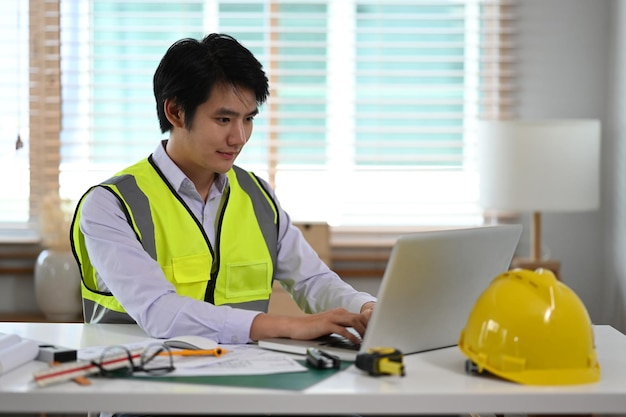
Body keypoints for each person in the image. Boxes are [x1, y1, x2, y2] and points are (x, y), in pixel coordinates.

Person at [70, 34, 377, 415]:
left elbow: (313, 281)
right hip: (142, 396)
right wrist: (286, 325)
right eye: (223, 119)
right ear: (176, 112)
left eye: (248, 119)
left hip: (243, 392)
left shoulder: (257, 195)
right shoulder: (110, 204)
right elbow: (161, 313)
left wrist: (367, 308)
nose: (239, 137)